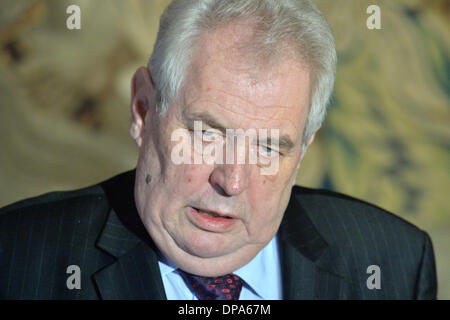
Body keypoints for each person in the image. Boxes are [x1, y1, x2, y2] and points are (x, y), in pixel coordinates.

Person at [0, 0, 437, 300]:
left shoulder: (392, 262)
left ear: (303, 150)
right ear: (143, 110)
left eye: (268, 147)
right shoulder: (17, 260)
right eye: (207, 134)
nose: (230, 181)